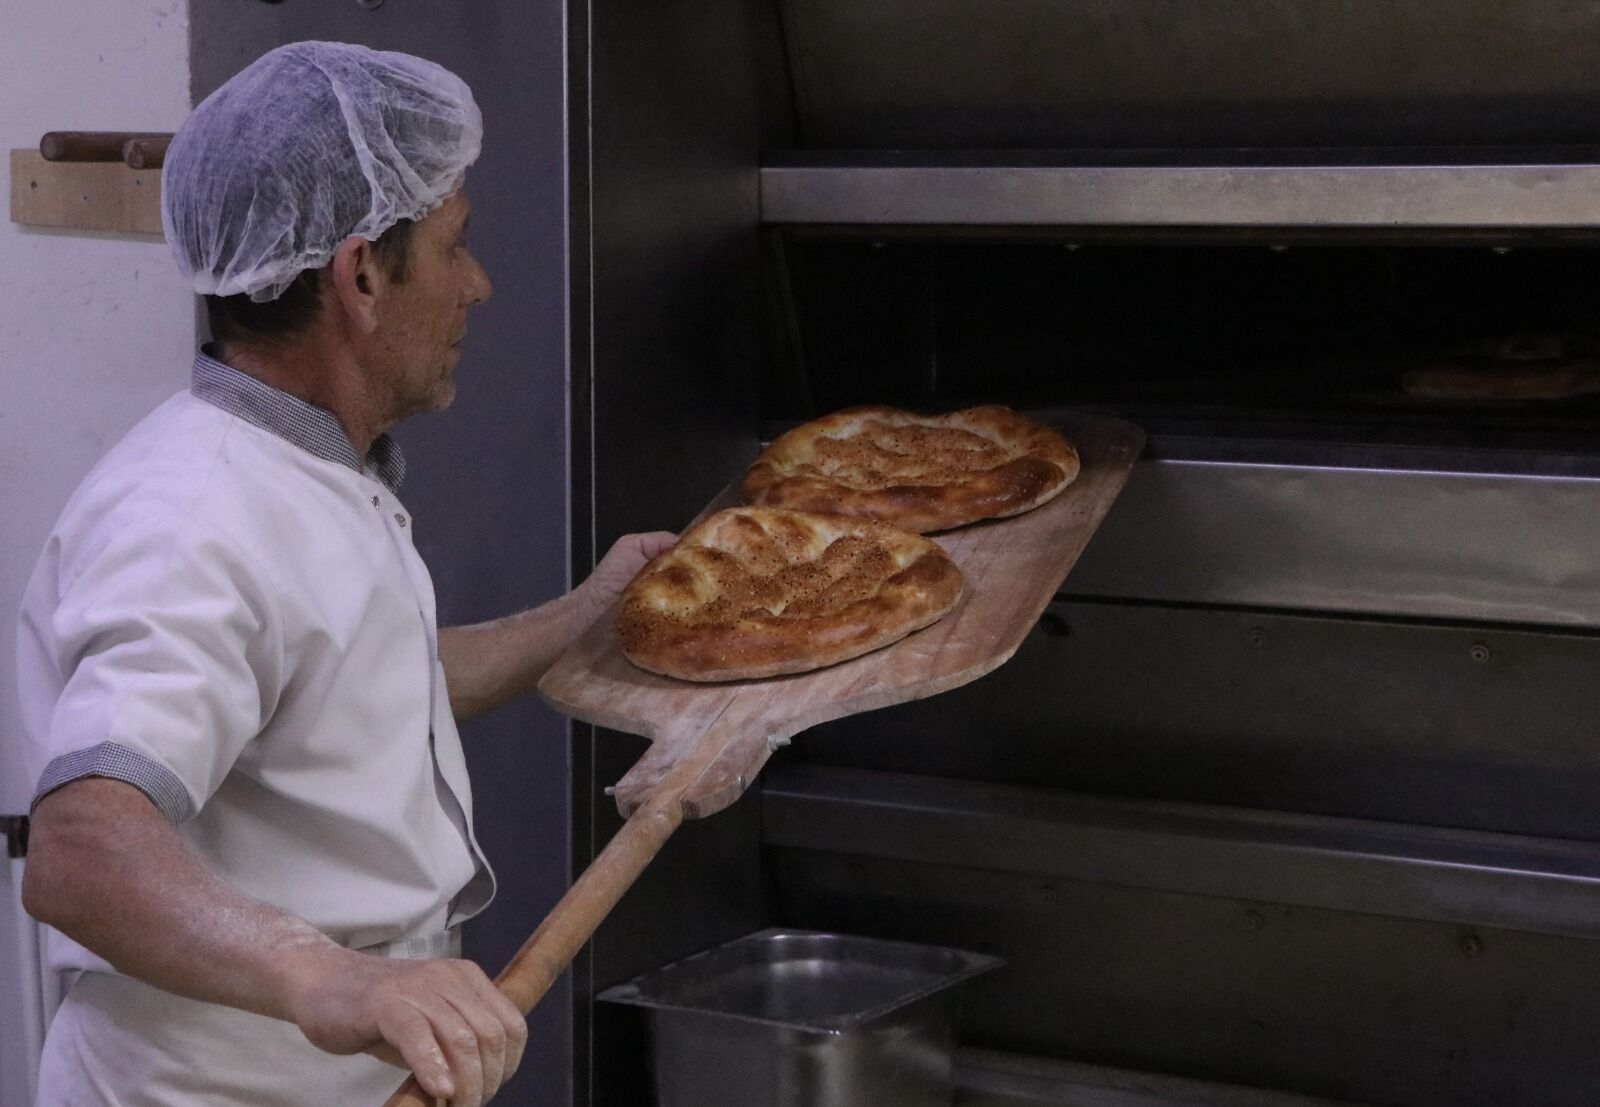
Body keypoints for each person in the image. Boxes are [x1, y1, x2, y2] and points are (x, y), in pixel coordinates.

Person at [16, 41, 674, 1107]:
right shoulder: (191, 519)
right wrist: (329, 975)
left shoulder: (313, 472)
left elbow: (361, 687)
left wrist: (586, 616)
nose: (477, 285)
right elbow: (82, 846)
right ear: (361, 276)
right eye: (455, 246)